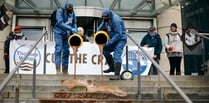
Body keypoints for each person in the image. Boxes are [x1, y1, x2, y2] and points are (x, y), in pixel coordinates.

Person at [97, 8, 127, 80]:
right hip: (113, 38)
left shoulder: (116, 20)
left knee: (116, 54)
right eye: (103, 17)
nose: (104, 18)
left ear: (109, 15)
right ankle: (112, 67)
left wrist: (108, 43)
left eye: (105, 17)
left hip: (120, 39)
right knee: (105, 51)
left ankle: (117, 74)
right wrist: (97, 34)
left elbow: (118, 34)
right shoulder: (106, 19)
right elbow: (100, 27)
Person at [53, 0, 77, 74]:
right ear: (66, 7)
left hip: (67, 34)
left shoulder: (72, 13)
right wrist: (70, 28)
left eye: (71, 8)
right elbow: (60, 23)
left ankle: (65, 70)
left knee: (66, 51)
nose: (71, 10)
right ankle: (58, 70)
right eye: (69, 8)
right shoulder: (59, 11)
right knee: (58, 49)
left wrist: (75, 28)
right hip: (58, 32)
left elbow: (74, 22)